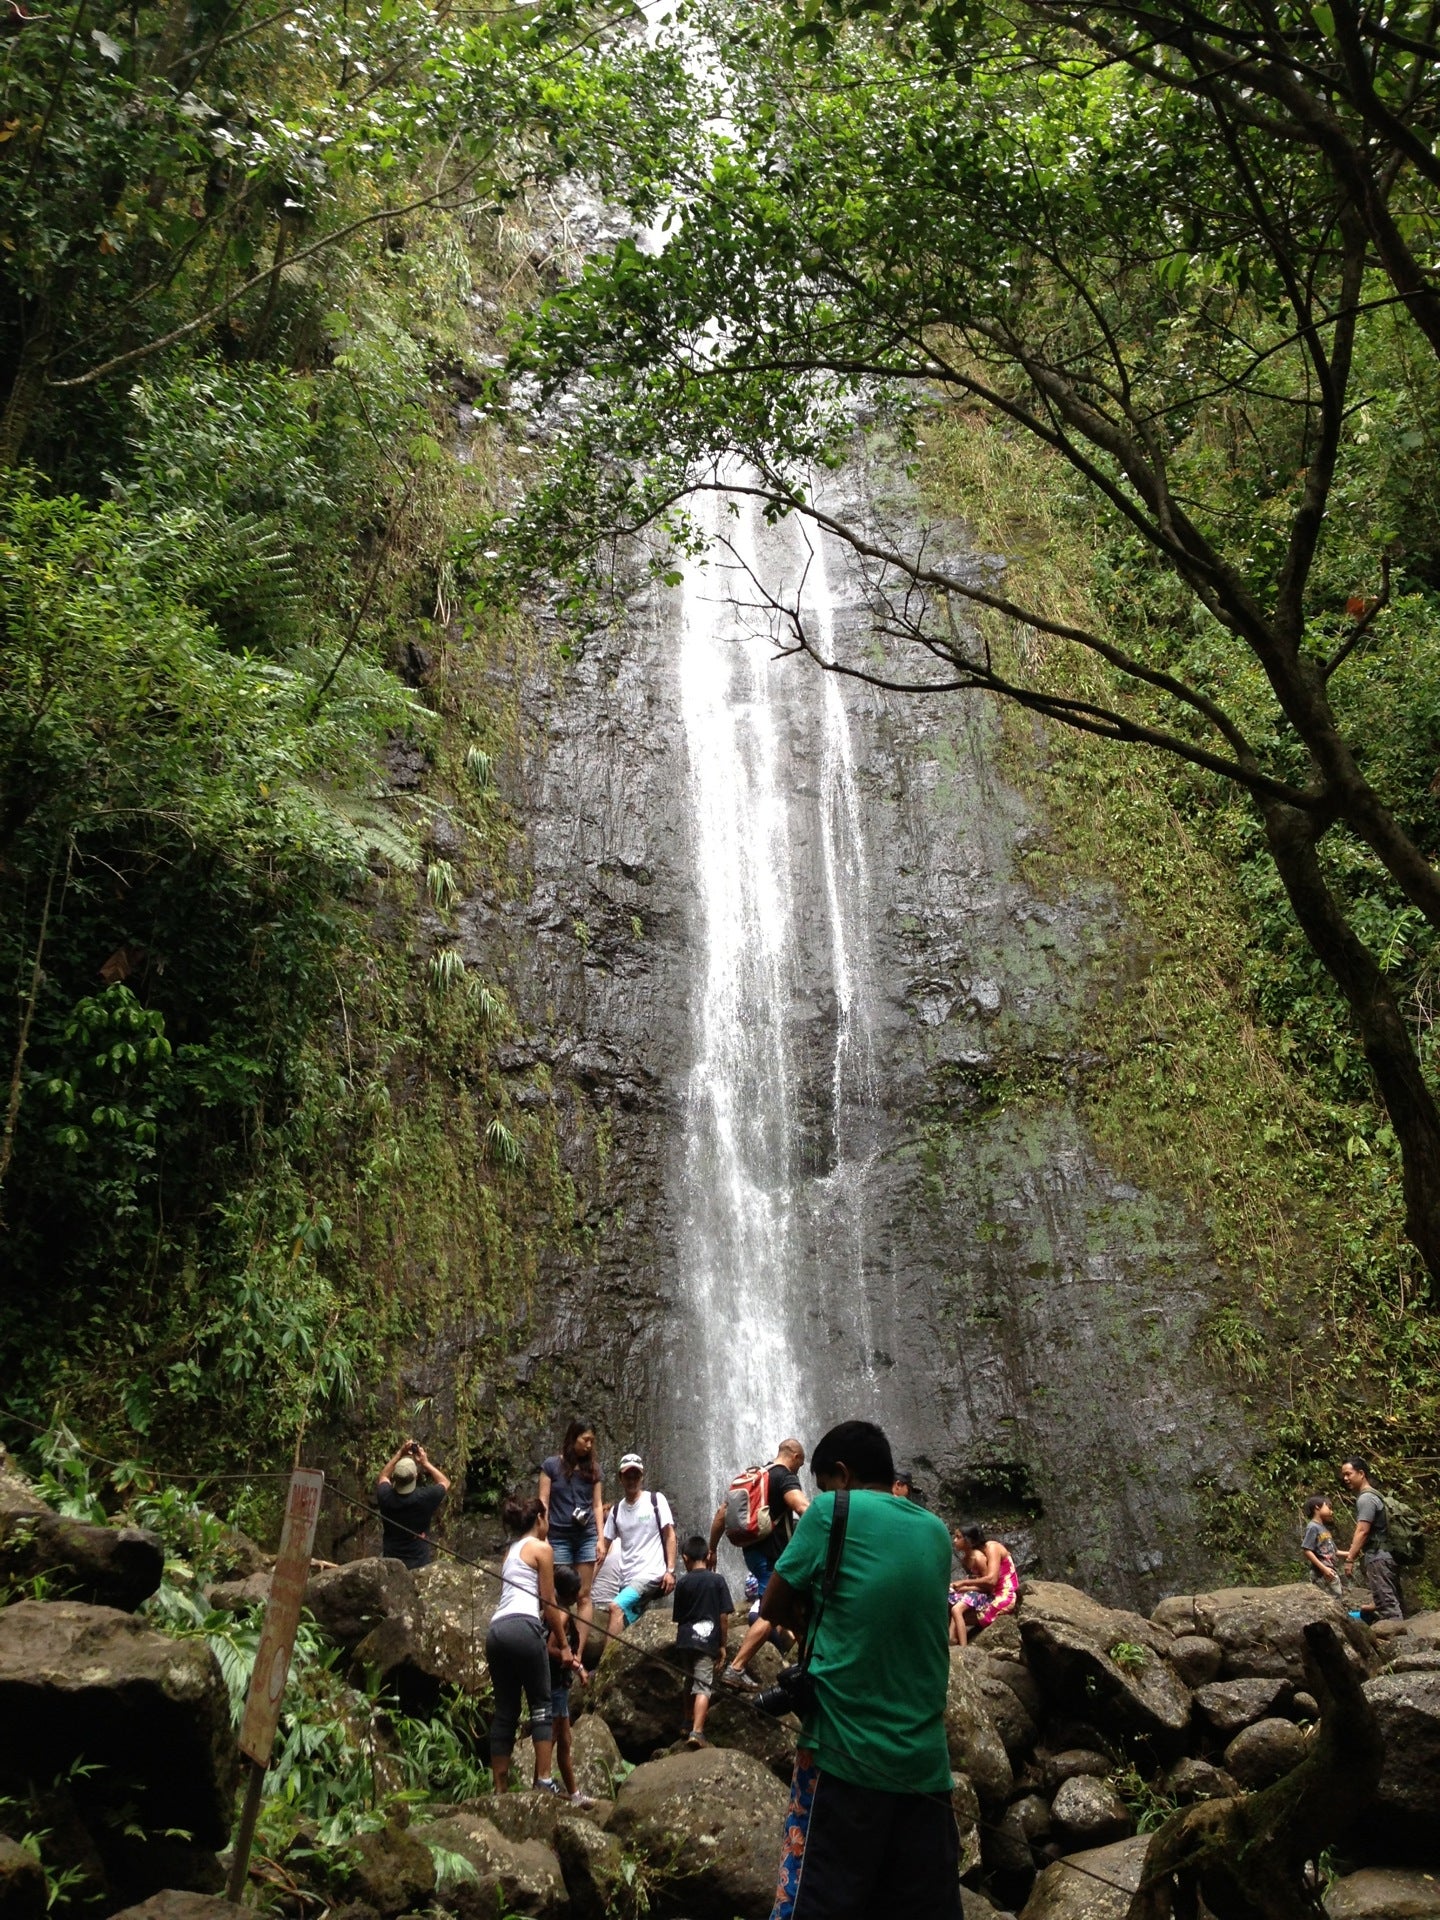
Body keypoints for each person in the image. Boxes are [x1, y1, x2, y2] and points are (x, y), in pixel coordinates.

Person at [760, 1418, 959, 1920]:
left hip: (842, 1760)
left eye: (824, 1484)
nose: (821, 1495)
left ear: (841, 1477)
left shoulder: (829, 1511)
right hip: (925, 1773)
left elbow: (772, 1603)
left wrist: (807, 1631)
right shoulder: (935, 1533)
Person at [485, 1493, 568, 1794]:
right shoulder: (542, 1549)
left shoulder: (510, 1552)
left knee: (505, 1710)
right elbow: (548, 1602)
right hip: (524, 1627)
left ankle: (499, 1788)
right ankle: (544, 1780)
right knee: (541, 1705)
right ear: (539, 1520)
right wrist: (565, 1645)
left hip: (497, 1631)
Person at [711, 1438, 809, 1691]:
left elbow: (722, 1514)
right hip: (774, 1556)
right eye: (801, 1463)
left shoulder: (757, 1477)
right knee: (770, 1611)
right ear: (796, 1457)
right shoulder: (784, 1476)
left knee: (797, 1609)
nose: (800, 1468)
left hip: (753, 1554)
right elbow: (801, 1506)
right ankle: (737, 1667)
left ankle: (810, 1664)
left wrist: (712, 1549)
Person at [539, 1420, 606, 1658]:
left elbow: (597, 1505)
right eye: (585, 1440)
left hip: (585, 1536)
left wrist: (600, 1538)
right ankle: (556, 1646)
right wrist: (543, 1536)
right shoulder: (551, 1466)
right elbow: (543, 1502)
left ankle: (577, 1652)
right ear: (573, 1437)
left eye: (592, 1442)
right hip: (558, 1536)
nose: (589, 1445)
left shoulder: (594, 1470)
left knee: (584, 1595)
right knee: (560, 1594)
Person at [597, 1452, 676, 1635]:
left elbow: (669, 1535)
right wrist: (585, 1589)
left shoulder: (655, 1500)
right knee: (626, 1625)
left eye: (636, 1475)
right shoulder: (616, 1511)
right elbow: (603, 1550)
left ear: (642, 1476)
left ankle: (606, 1664)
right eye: (627, 1475)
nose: (632, 1479)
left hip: (651, 1575)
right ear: (620, 1478)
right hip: (627, 1579)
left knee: (616, 1606)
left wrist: (670, 1571)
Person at [673, 1533, 733, 1747]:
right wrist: (722, 1645)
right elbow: (724, 1616)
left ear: (685, 1558)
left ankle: (686, 1722)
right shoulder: (717, 1580)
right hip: (706, 1641)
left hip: (685, 1642)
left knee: (688, 1681)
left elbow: (678, 1617)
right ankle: (697, 1732)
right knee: (703, 1685)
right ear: (708, 1556)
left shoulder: (682, 1583)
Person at [547, 1565, 594, 1807]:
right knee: (554, 1736)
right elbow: (551, 1648)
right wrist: (577, 1666)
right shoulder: (562, 1615)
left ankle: (574, 1794)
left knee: (564, 1739)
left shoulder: (558, 1610)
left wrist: (577, 1667)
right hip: (556, 1684)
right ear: (571, 1593)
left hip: (560, 1684)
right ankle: (541, 1782)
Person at [1340, 1456, 1403, 1620]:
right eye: (1343, 1475)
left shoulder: (1366, 1499)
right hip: (1388, 1554)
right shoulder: (1376, 1495)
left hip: (1378, 1557)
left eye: (1349, 1474)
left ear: (1361, 1473)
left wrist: (1350, 1559)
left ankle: (1400, 1641)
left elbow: (1362, 1531)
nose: (1345, 1478)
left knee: (1387, 1605)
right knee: (1392, 1600)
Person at [376, 1439, 450, 1569]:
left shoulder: (385, 1496)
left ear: (395, 1477)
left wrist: (400, 1453)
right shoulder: (425, 1497)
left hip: (392, 1562)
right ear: (416, 1476)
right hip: (419, 1562)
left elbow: (383, 1476)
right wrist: (425, 1463)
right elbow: (445, 1482)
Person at [948, 1524, 1020, 1647]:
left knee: (958, 1613)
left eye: (958, 1537)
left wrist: (964, 1583)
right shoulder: (972, 1556)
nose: (954, 1541)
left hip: (1004, 1595)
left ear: (968, 1540)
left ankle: (959, 1647)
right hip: (990, 1593)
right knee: (954, 1610)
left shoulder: (992, 1548)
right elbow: (980, 1580)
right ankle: (953, 1641)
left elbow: (991, 1580)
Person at [1300, 1494, 1344, 1599]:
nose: (1331, 1511)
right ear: (1317, 1507)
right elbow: (1307, 1550)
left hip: (1330, 1570)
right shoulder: (1313, 1527)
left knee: (1337, 1597)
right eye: (1329, 1507)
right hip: (1320, 1571)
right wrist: (1324, 1569)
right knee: (1328, 1599)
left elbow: (1335, 1551)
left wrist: (1352, 1553)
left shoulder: (1324, 1529)